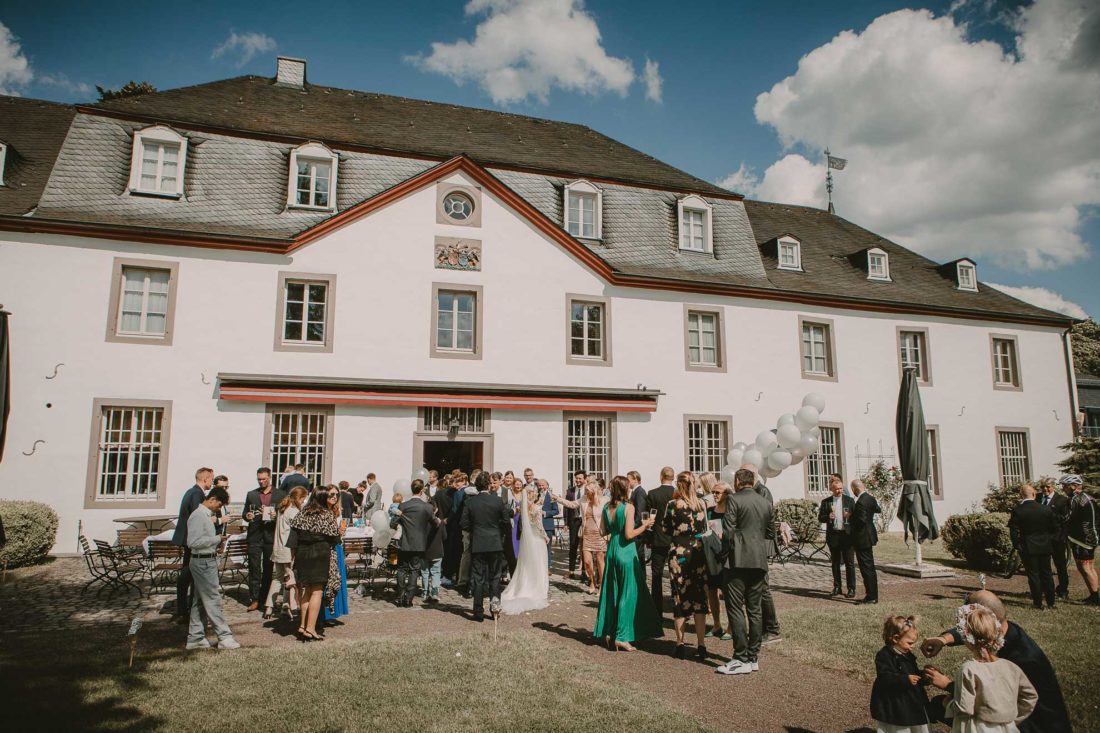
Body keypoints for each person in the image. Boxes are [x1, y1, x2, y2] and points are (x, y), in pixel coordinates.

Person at [921, 590, 1072, 733]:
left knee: (940, 705)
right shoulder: (1005, 629)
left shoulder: (1022, 657)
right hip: (1016, 716)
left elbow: (990, 698)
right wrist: (943, 639)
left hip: (1037, 725)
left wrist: (949, 685)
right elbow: (979, 633)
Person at [926, 604, 1037, 733]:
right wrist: (1012, 718)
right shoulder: (1011, 667)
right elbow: (1030, 696)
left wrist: (948, 704)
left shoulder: (969, 669)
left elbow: (964, 708)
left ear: (967, 639)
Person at [716, 468, 774, 675]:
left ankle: (740, 657)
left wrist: (722, 555)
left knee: (734, 607)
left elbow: (728, 530)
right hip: (759, 561)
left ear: (738, 481)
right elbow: (770, 533)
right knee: (755, 609)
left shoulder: (734, 499)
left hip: (737, 560)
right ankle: (753, 657)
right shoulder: (766, 502)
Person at [594, 475, 660, 652]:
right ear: (625, 489)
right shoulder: (628, 507)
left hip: (612, 550)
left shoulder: (607, 506)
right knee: (628, 593)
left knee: (612, 592)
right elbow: (630, 534)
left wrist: (613, 531)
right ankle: (622, 637)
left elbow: (602, 531)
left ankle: (610, 632)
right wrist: (645, 525)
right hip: (626, 551)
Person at [184, 486, 240, 650]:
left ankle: (195, 638)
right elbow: (192, 543)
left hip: (206, 560)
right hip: (202, 562)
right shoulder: (198, 516)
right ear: (212, 499)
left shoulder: (204, 516)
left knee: (199, 601)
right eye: (219, 505)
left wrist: (217, 540)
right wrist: (216, 539)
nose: (219, 509)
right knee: (212, 600)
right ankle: (224, 636)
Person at [664, 471, 710, 660]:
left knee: (680, 597)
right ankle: (701, 645)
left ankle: (680, 643)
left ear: (679, 485)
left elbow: (666, 528)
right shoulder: (702, 504)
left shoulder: (673, 505)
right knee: (699, 598)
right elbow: (706, 528)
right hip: (698, 553)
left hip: (679, 553)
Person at [288, 486, 340, 641]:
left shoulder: (302, 513)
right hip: (320, 554)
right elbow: (336, 539)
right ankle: (311, 628)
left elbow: (292, 540)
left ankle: (302, 625)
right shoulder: (326, 515)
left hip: (303, 554)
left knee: (306, 590)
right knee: (317, 591)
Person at [461, 471, 513, 621]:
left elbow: (463, 524)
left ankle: (478, 611)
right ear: (489, 485)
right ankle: (494, 609)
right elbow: (505, 521)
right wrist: (498, 533)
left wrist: (475, 530)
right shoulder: (497, 501)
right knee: (495, 577)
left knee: (478, 578)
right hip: (495, 542)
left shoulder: (470, 502)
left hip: (478, 542)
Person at [870, 615, 932, 733]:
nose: (912, 646)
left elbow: (913, 674)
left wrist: (924, 677)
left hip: (910, 700)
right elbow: (885, 677)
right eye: (910, 643)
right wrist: (905, 679)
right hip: (895, 703)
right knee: (900, 727)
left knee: (915, 724)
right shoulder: (885, 655)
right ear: (896, 638)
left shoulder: (907, 655)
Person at [743, 463, 782, 644]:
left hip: (761, 544)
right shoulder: (751, 491)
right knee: (757, 587)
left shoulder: (762, 492)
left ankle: (772, 629)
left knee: (763, 587)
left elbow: (765, 518)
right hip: (753, 544)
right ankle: (763, 627)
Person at [172, 467, 215, 622]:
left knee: (187, 574)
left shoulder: (190, 491)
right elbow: (199, 518)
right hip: (192, 540)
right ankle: (186, 610)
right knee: (190, 575)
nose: (212, 482)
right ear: (205, 478)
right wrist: (215, 521)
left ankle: (185, 609)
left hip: (187, 538)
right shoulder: (197, 494)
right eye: (211, 479)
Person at [501, 485, 550, 614]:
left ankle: (524, 585)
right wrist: (545, 536)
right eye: (534, 492)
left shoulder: (524, 507)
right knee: (539, 563)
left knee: (527, 563)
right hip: (537, 539)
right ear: (531, 494)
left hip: (527, 538)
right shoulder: (536, 507)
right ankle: (538, 588)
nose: (536, 493)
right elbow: (539, 525)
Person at [1007, 483, 1058, 610]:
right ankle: (1051, 602)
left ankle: (1037, 602)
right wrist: (1048, 539)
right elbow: (1055, 528)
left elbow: (1013, 530)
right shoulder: (1045, 509)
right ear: (1034, 494)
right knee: (1046, 573)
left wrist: (1017, 545)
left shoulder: (1018, 510)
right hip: (1044, 544)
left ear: (1021, 495)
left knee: (1033, 574)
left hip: (1028, 545)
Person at [391, 479, 440, 607]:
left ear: (411, 489)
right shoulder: (427, 507)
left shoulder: (403, 506)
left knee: (401, 569)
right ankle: (408, 599)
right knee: (414, 570)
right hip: (419, 542)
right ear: (422, 489)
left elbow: (393, 524)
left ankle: (400, 597)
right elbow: (435, 524)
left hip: (405, 542)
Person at [243, 467, 287, 612]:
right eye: (259, 479)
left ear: (270, 478)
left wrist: (277, 516)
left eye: (264, 479)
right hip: (255, 535)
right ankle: (254, 599)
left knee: (268, 570)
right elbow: (245, 513)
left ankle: (264, 599)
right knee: (254, 568)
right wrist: (247, 516)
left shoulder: (280, 494)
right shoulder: (252, 494)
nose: (261, 481)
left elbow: (285, 515)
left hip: (270, 535)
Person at [556, 479, 607, 595]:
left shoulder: (604, 501)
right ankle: (592, 582)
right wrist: (558, 499)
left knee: (600, 561)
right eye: (585, 491)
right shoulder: (583, 499)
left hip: (600, 534)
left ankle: (602, 586)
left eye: (588, 491)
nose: (586, 493)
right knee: (588, 562)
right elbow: (572, 504)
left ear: (594, 491)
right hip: (587, 534)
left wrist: (608, 534)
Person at [265, 486, 306, 619]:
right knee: (290, 579)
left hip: (277, 548)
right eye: (303, 498)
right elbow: (297, 533)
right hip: (288, 549)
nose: (304, 501)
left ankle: (269, 606)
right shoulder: (293, 511)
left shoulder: (282, 508)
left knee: (277, 578)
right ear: (298, 498)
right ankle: (292, 607)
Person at [1060, 473, 1099, 604]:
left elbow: (1066, 518)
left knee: (1085, 567)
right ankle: (1094, 595)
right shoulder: (1088, 497)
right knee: (1090, 567)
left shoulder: (1075, 499)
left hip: (1081, 539)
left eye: (1064, 486)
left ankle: (1095, 597)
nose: (1063, 489)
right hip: (1090, 537)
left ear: (1073, 486)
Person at [818, 473, 856, 598]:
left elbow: (856, 517)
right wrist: (827, 517)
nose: (839, 491)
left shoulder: (849, 501)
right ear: (831, 489)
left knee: (849, 563)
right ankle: (837, 587)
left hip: (847, 535)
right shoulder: (826, 502)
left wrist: (850, 517)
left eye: (840, 488)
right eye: (836, 489)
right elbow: (820, 518)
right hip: (833, 535)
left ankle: (851, 588)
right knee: (835, 563)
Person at [645, 466, 676, 619]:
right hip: (675, 540)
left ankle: (657, 610)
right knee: (676, 576)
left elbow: (648, 518)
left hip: (658, 538)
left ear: (661, 476)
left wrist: (648, 538)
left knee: (656, 575)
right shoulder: (677, 493)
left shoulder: (653, 494)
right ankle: (678, 609)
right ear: (673, 477)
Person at [1036, 478, 1071, 600]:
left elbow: (1064, 519)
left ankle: (1063, 590)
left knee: (1060, 565)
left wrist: (1048, 512)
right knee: (1043, 566)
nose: (1045, 489)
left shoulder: (1062, 500)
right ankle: (1045, 589)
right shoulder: (1038, 497)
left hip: (1057, 538)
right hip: (1042, 538)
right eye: (1043, 487)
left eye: (1048, 487)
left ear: (1054, 487)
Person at [851, 478, 881, 605]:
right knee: (870, 567)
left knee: (866, 568)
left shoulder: (861, 502)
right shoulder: (871, 498)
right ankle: (872, 595)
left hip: (862, 538)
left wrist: (850, 517)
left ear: (855, 489)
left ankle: (871, 596)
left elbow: (861, 520)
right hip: (870, 535)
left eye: (852, 489)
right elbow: (878, 509)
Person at [321, 486, 350, 622]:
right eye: (331, 494)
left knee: (337, 579)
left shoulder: (336, 511)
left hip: (337, 547)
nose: (334, 496)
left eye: (337, 494)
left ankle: (333, 612)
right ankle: (324, 613)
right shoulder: (322, 511)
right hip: (327, 549)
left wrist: (340, 532)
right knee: (327, 580)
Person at [421, 490, 446, 604]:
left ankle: (425, 592)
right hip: (437, 550)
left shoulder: (423, 523)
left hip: (425, 550)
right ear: (435, 510)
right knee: (436, 572)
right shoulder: (440, 523)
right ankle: (434, 592)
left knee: (425, 571)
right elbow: (445, 536)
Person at [565, 470, 586, 580]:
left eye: (580, 478)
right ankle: (571, 571)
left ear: (584, 479)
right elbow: (566, 508)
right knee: (573, 546)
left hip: (585, 521)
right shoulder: (570, 491)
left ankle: (584, 572)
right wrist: (566, 523)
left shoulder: (587, 491)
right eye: (576, 478)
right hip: (574, 521)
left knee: (585, 547)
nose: (577, 480)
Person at [538, 479, 559, 570]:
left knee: (547, 548)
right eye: (539, 485)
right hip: (537, 526)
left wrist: (545, 513)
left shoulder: (551, 496)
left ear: (547, 485)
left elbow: (556, 510)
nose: (541, 487)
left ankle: (547, 567)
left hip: (547, 525)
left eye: (543, 485)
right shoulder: (535, 494)